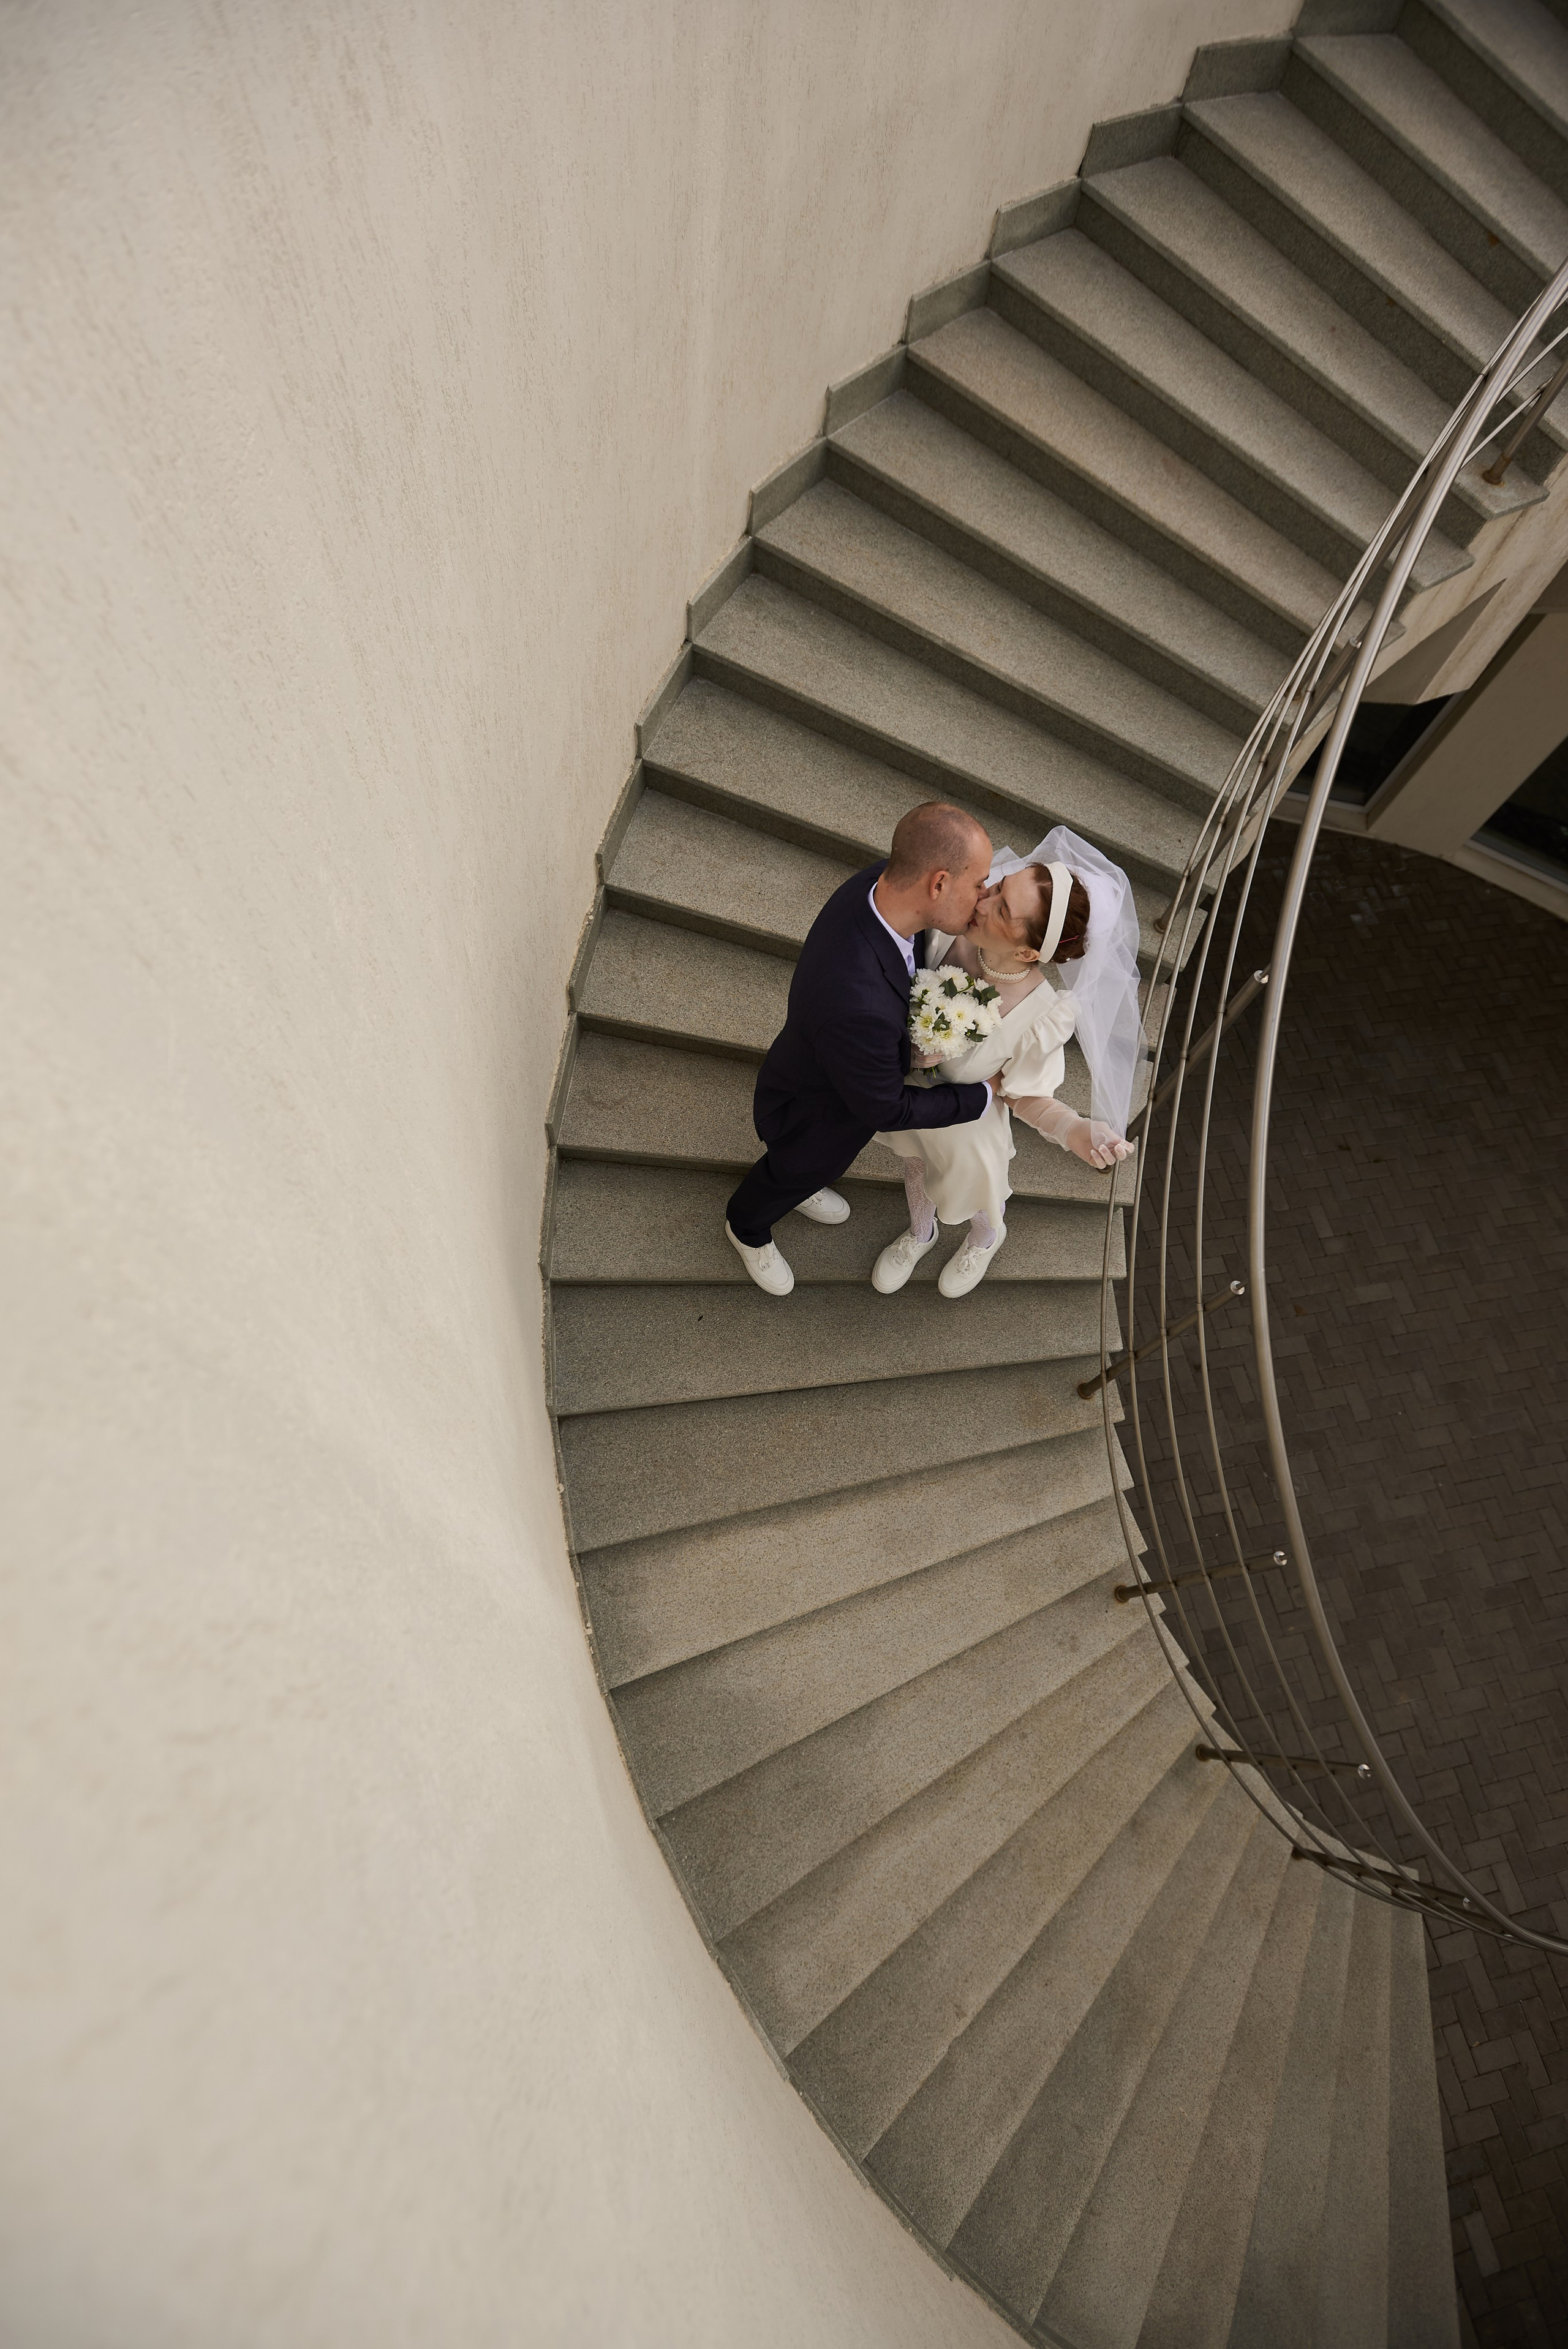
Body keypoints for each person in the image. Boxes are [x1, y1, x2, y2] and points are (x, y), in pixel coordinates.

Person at [725, 801, 998, 1298]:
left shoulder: (880, 886)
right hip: (815, 1116)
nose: (984, 897)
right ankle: (746, 1228)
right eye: (979, 883)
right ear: (938, 884)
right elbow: (887, 1107)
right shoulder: (860, 1006)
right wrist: (980, 1097)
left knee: (803, 1170)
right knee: (791, 1171)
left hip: (816, 1060)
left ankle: (799, 1186)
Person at [872, 826, 1140, 1300]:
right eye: (997, 887)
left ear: (1029, 952)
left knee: (976, 1194)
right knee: (914, 1165)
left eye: (1002, 908)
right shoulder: (946, 931)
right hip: (913, 1098)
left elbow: (1028, 1096)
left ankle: (986, 1238)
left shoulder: (1041, 1016)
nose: (982, 900)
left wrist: (1078, 1131)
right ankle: (921, 1232)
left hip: (968, 1128)